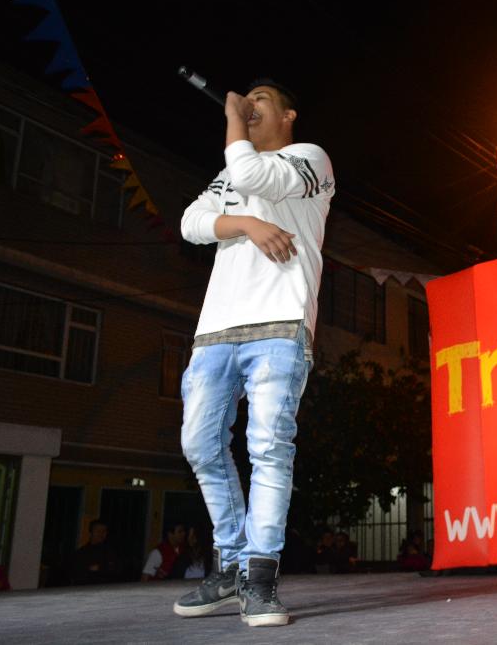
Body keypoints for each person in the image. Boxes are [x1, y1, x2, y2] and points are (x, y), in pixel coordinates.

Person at [173, 77, 334, 628]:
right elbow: (190, 223)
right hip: (216, 329)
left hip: (279, 323)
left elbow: (251, 175)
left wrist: (232, 119)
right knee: (199, 444)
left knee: (268, 447)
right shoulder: (228, 176)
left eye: (261, 99)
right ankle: (231, 565)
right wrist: (246, 222)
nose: (249, 105)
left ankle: (260, 579)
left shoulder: (308, 160)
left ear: (288, 115)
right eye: (246, 100)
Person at [71, 519, 123, 584]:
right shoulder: (81, 553)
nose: (101, 534)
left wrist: (100, 568)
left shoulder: (110, 551)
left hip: (105, 588)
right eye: (98, 531)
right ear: (91, 532)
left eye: (104, 531)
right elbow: (76, 574)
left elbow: (118, 569)